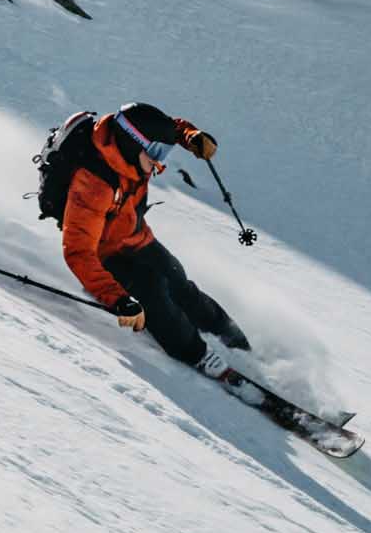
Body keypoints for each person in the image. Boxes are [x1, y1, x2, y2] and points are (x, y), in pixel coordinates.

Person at [57, 103, 253, 377]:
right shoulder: (94, 184)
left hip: (137, 236)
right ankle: (196, 354)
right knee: (153, 293)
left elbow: (172, 128)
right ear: (131, 143)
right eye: (155, 153)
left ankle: (233, 339)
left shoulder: (134, 152)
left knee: (179, 282)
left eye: (163, 152)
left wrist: (192, 138)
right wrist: (117, 299)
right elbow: (78, 252)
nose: (159, 162)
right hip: (107, 254)